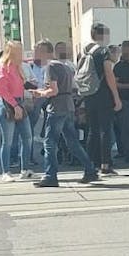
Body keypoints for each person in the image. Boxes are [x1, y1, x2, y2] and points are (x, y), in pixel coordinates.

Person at [32, 40, 97, 187]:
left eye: (36, 51)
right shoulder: (65, 66)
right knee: (73, 143)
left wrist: (39, 93)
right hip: (68, 106)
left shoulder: (51, 67)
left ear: (44, 51)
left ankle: (50, 175)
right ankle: (90, 169)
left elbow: (53, 90)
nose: (35, 55)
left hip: (57, 107)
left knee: (50, 142)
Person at [77, 23, 122, 177]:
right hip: (103, 94)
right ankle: (105, 164)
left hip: (89, 94)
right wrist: (116, 96)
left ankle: (90, 165)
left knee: (92, 131)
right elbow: (109, 74)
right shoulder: (103, 51)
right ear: (103, 35)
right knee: (105, 130)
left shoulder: (84, 52)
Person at [0, 42, 34, 181]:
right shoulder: (2, 68)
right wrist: (15, 105)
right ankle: (6, 172)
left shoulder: (17, 67)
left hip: (19, 102)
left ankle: (25, 169)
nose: (21, 54)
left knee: (27, 137)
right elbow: (1, 90)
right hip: (7, 105)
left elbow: (21, 85)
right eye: (19, 51)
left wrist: (35, 90)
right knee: (8, 141)